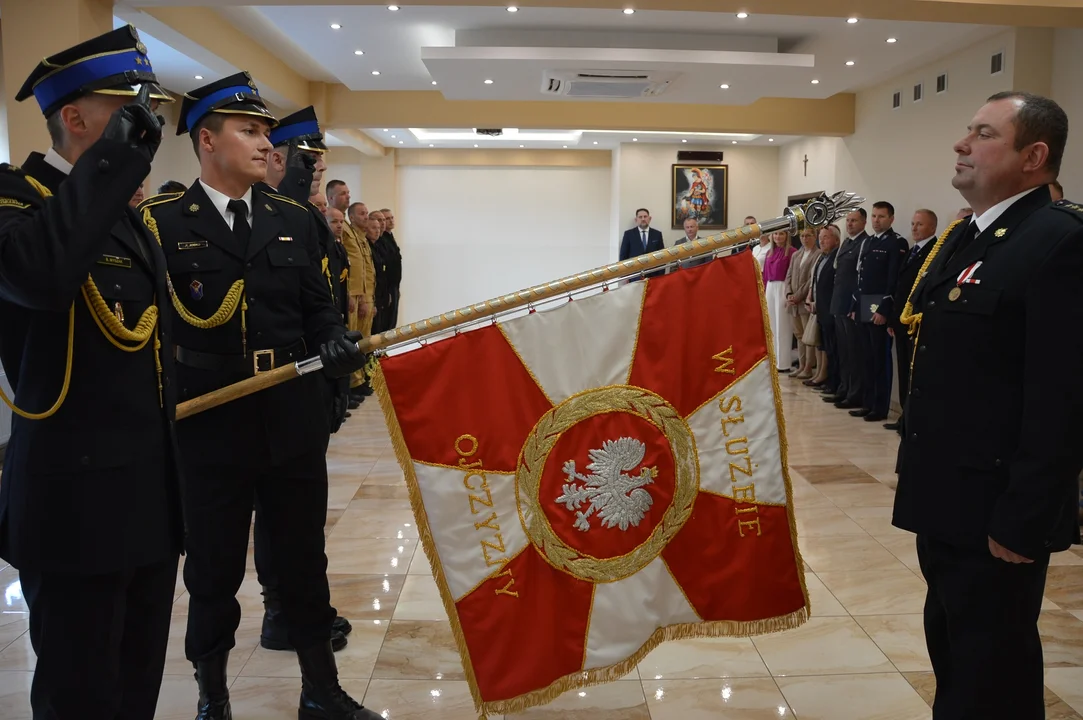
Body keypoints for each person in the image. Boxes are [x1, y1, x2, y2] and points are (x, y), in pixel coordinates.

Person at [138, 73, 378, 720]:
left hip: (290, 413)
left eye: (265, 130)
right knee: (212, 571)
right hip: (209, 419)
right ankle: (213, 697)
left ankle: (319, 690)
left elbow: (317, 309)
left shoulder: (293, 218)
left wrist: (332, 343)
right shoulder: (160, 225)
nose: (264, 142)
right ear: (207, 140)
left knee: (302, 558)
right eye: (249, 130)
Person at [0, 25, 183, 719]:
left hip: (145, 496)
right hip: (72, 503)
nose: (145, 121)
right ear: (74, 118)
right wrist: (107, 165)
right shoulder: (18, 201)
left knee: (134, 688)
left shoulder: (125, 221)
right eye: (126, 105)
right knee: (80, 694)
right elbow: (41, 277)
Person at [893, 91, 1083, 719]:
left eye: (983, 133)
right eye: (967, 131)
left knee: (994, 675)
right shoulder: (970, 236)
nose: (961, 144)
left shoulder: (1058, 243)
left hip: (998, 516)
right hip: (946, 502)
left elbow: (1061, 400)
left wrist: (1025, 519)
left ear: (1034, 156)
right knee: (955, 655)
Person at [254, 106, 354, 652]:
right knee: (277, 513)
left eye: (317, 163)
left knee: (298, 514)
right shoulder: (270, 218)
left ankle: (301, 605)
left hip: (309, 376)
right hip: (273, 384)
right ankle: (280, 610)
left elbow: (324, 300)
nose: (313, 170)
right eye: (304, 159)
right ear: (276, 158)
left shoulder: (302, 217)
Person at [849, 201, 907, 423]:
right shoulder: (869, 242)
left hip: (879, 304)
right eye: (873, 216)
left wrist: (884, 309)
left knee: (879, 357)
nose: (876, 220)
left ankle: (880, 407)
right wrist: (855, 306)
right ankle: (868, 401)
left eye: (881, 216)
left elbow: (894, 279)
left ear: (891, 219)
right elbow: (861, 276)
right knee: (866, 356)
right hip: (865, 302)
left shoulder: (896, 243)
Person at [884, 209, 937, 431]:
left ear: (933, 228)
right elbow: (900, 285)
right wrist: (892, 319)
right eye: (913, 224)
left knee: (915, 372)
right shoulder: (913, 250)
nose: (914, 228)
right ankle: (904, 415)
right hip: (901, 320)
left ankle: (912, 419)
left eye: (920, 225)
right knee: (904, 369)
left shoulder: (935, 252)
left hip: (916, 321)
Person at [785, 227, 820, 379]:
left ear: (815, 236)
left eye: (808, 235)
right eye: (802, 236)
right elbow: (789, 275)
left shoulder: (817, 254)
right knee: (799, 335)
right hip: (793, 302)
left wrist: (798, 296)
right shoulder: (796, 255)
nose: (805, 239)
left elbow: (810, 281)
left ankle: (808, 367)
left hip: (804, 301)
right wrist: (788, 294)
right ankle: (801, 365)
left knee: (808, 336)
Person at [762, 231, 795, 372]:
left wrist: (790, 293)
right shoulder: (770, 251)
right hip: (770, 286)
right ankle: (773, 360)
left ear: (787, 236)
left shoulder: (792, 252)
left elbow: (792, 274)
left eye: (781, 234)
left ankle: (784, 362)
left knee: (783, 325)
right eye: (775, 234)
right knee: (771, 326)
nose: (778, 237)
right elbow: (764, 274)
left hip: (782, 286)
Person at [618, 208, 665, 279]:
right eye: (640, 217)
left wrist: (660, 276)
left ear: (649, 218)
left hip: (654, 277)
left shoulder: (657, 234)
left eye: (645, 216)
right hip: (634, 277)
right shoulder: (628, 234)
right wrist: (626, 277)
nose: (643, 219)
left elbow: (662, 257)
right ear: (636, 220)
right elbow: (623, 257)